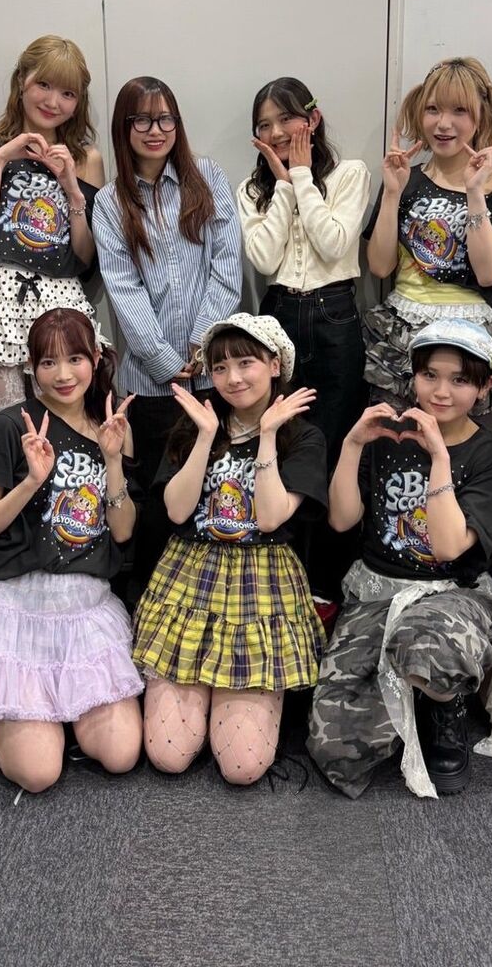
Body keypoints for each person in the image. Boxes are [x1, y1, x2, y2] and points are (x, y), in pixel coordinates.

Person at [307, 319, 492, 799]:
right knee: (335, 751)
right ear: (413, 376)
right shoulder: (384, 436)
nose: (441, 392)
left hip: (454, 593)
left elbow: (448, 547)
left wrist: (439, 458)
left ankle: (443, 704)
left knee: (429, 648)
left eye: (460, 380)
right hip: (377, 588)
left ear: (483, 387)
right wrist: (353, 444)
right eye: (430, 375)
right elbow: (343, 521)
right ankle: (411, 688)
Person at [0, 309, 143, 793]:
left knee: (122, 755)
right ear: (31, 367)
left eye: (75, 359)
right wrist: (30, 482)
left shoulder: (113, 428)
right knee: (38, 774)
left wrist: (112, 461)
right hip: (12, 602)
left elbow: (123, 531)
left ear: (96, 359)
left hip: (83, 607)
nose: (63, 374)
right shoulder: (13, 427)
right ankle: (23, 722)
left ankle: (54, 709)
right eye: (48, 362)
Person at [132, 313, 327, 785]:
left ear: (275, 365)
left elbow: (270, 517)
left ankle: (224, 707)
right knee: (168, 756)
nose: (233, 378)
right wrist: (204, 437)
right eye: (219, 368)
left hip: (261, 584)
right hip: (189, 576)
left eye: (245, 363)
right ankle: (202, 705)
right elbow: (176, 511)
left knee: (243, 767)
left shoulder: (303, 435)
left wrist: (267, 436)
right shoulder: (198, 423)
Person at [92, 77, 241, 595]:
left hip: (211, 376)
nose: (155, 130)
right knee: (156, 502)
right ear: (124, 126)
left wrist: (201, 346)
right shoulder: (110, 202)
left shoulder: (208, 178)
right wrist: (161, 358)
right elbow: (122, 287)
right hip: (149, 382)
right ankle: (152, 602)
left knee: (212, 493)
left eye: (165, 119)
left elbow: (227, 267)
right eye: (142, 119)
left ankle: (209, 595)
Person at [238, 78, 369, 597]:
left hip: (335, 315)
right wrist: (283, 187)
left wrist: (299, 175)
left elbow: (334, 243)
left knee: (334, 448)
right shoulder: (252, 189)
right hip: (279, 316)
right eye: (264, 125)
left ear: (312, 119)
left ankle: (327, 586)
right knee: (282, 443)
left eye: (285, 119)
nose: (275, 132)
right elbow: (264, 258)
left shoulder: (349, 173)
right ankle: (281, 578)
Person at [0, 35, 104, 426]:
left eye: (67, 93)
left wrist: (71, 188)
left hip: (60, 297)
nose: (53, 102)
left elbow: (84, 257)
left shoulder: (86, 158)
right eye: (43, 85)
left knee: (64, 423)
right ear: (21, 81)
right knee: (7, 426)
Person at [363, 57, 492, 412]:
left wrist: (475, 192)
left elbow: (490, 273)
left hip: (467, 332)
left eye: (459, 111)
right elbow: (380, 266)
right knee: (395, 434)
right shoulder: (406, 177)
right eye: (433, 109)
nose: (443, 123)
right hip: (402, 327)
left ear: (480, 115)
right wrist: (392, 193)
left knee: (456, 440)